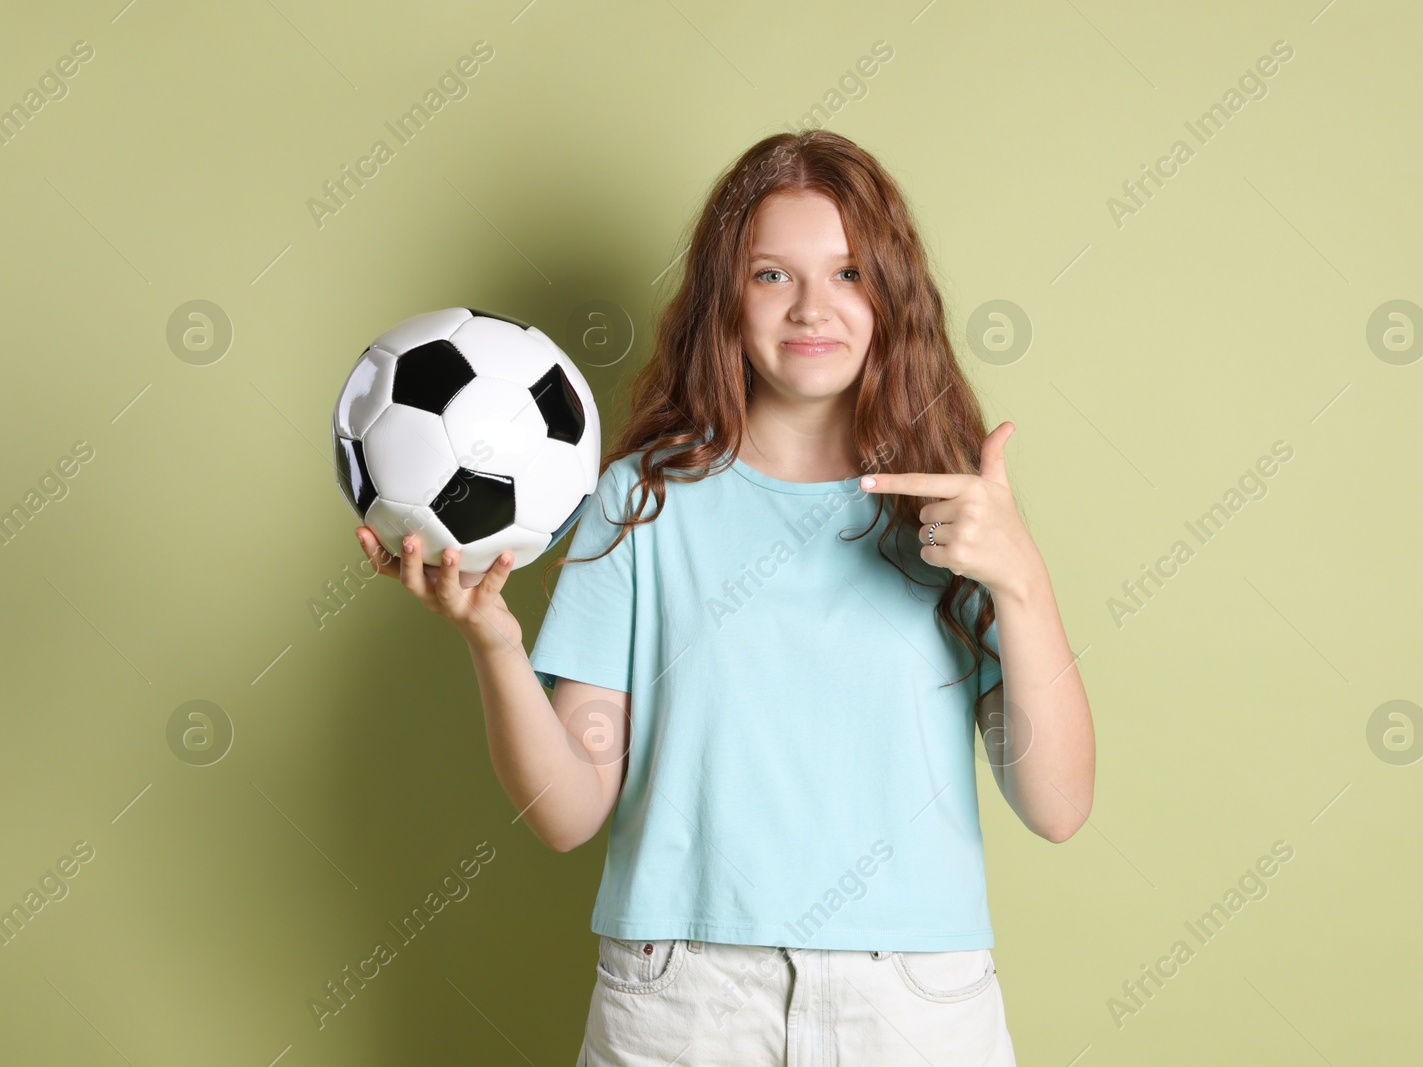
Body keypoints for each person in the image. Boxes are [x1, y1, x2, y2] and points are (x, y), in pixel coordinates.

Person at [355, 129, 1094, 1066]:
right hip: (684, 1002)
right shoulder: (640, 501)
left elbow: (1058, 804)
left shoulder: (955, 514)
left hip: (913, 998)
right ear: (724, 301)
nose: (812, 308)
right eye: (772, 275)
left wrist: (1022, 582)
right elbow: (569, 809)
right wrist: (495, 640)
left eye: (851, 273)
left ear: (893, 296)